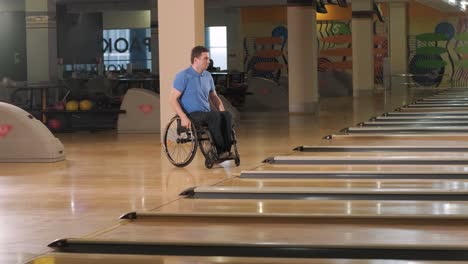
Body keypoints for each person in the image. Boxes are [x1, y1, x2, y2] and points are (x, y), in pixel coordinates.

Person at [170, 46, 233, 159]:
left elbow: (213, 96)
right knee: (214, 116)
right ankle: (219, 151)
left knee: (227, 115)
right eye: (206, 58)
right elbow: (172, 99)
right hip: (192, 114)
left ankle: (227, 150)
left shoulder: (207, 76)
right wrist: (183, 117)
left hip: (206, 113)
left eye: (208, 59)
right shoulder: (183, 76)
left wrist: (221, 109)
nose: (209, 61)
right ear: (196, 60)